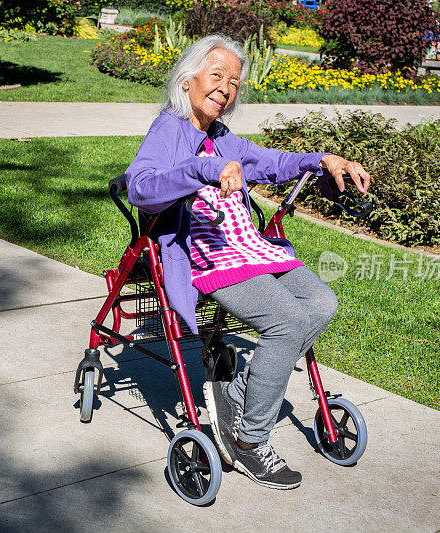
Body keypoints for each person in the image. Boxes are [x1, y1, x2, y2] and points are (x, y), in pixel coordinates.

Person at [125, 34, 371, 489]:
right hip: (207, 255)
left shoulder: (221, 137)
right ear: (187, 80)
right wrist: (203, 169)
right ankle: (248, 440)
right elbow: (141, 187)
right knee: (286, 321)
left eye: (234, 81)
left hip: (249, 247)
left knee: (321, 303)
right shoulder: (169, 128)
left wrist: (322, 159)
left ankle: (235, 396)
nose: (225, 87)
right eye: (215, 75)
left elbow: (270, 161)